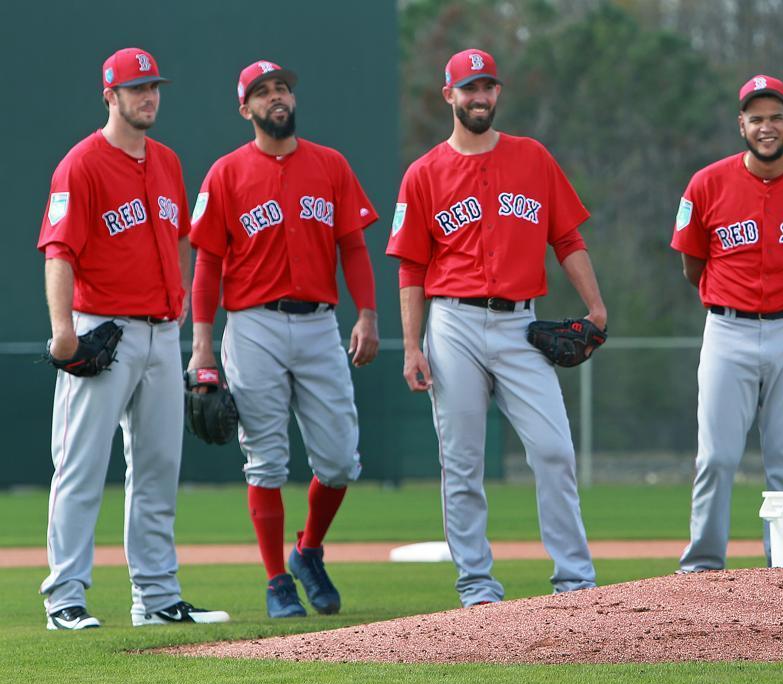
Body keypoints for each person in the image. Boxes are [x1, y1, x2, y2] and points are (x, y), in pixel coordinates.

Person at [387, 49, 606, 607]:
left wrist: (595, 306)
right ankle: (477, 585)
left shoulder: (532, 158)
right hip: (453, 323)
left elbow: (567, 239)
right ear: (449, 96)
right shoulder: (423, 174)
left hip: (520, 324)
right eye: (468, 88)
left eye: (486, 86)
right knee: (462, 461)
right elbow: (411, 266)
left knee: (554, 450)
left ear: (497, 93)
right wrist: (412, 345)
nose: (478, 97)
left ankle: (575, 582)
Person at [36, 48, 229, 630]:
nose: (149, 96)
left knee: (157, 468)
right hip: (103, 332)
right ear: (110, 96)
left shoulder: (167, 162)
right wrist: (64, 331)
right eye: (136, 88)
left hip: (161, 334)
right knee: (80, 467)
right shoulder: (82, 164)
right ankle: (64, 598)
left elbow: (181, 243)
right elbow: (59, 250)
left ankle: (156, 596)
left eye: (154, 87)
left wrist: (187, 327)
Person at [187, 60, 380, 618]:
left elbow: (354, 247)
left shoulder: (330, 165)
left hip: (321, 323)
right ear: (245, 108)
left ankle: (308, 552)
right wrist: (202, 346)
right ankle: (276, 581)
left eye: (283, 89)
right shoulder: (225, 173)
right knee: (265, 462)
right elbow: (207, 265)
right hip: (253, 325)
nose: (277, 98)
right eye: (264, 92)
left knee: (341, 461)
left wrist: (366, 315)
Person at [671, 75, 783, 572]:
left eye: (775, 117)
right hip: (727, 329)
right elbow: (692, 264)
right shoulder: (705, 184)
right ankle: (702, 566)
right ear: (741, 124)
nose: (766, 127)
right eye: (756, 118)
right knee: (716, 459)